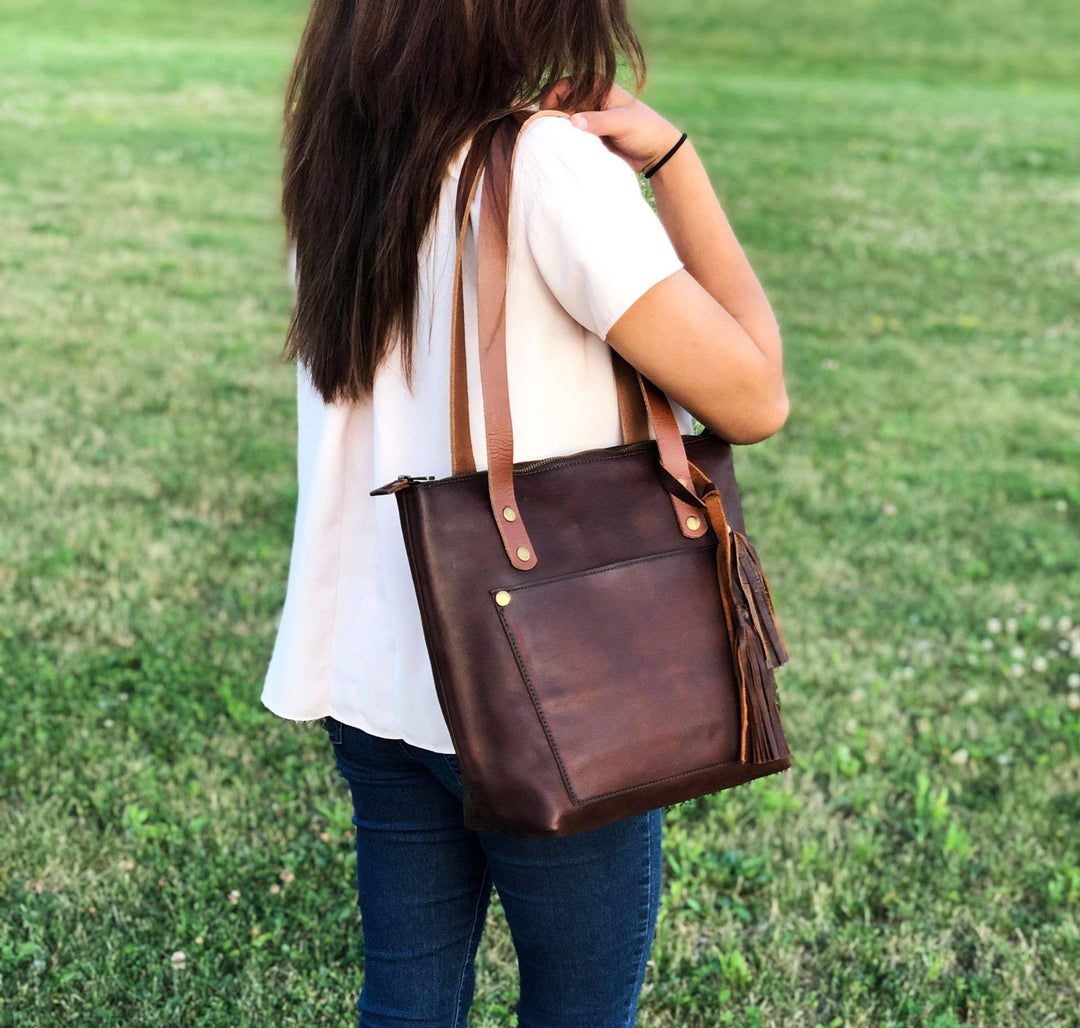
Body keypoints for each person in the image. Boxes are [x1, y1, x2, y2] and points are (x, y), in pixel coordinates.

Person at [262, 1, 789, 1025]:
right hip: (548, 691)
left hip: (377, 675)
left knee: (408, 997)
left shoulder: (338, 167)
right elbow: (755, 395)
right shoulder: (544, 167)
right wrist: (675, 159)